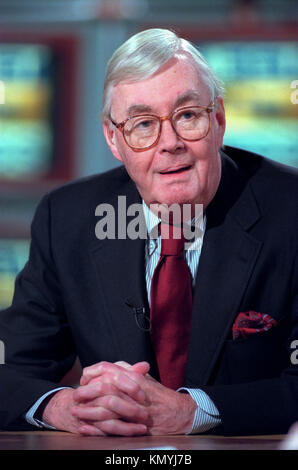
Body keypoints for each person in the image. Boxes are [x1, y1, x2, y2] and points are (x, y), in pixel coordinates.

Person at [0, 28, 297, 437]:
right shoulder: (66, 218)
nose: (169, 143)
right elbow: (11, 368)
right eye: (142, 124)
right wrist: (64, 406)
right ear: (114, 139)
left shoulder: (290, 210)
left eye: (188, 115)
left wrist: (193, 411)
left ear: (219, 120)